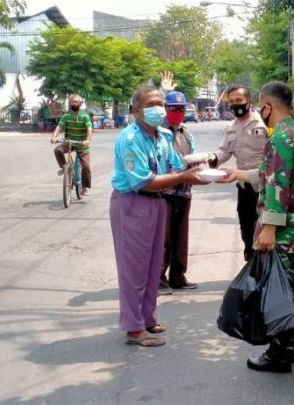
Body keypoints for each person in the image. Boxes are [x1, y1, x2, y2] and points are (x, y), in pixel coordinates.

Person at [220, 81, 294, 373]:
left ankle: (279, 353)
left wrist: (268, 229)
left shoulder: (279, 140)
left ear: (267, 106)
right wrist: (240, 173)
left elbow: (277, 186)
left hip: (284, 231)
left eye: (260, 104)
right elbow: (269, 173)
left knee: (278, 293)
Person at [109, 85, 207, 348]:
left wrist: (199, 171)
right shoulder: (130, 139)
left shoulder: (162, 136)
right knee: (134, 269)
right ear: (136, 110)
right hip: (133, 203)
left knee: (153, 265)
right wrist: (184, 177)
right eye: (151, 104)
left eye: (160, 104)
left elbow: (176, 165)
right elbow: (142, 180)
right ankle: (133, 327)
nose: (158, 109)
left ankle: (147, 317)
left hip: (157, 202)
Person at [207, 85, 270, 262]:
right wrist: (212, 158)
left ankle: (266, 264)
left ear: (249, 101)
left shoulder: (263, 123)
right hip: (244, 186)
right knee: (247, 226)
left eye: (239, 101)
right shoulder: (230, 127)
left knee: (266, 225)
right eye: (232, 101)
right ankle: (251, 262)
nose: (235, 105)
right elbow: (224, 151)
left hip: (265, 184)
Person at [159, 85, 199, 294]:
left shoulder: (186, 133)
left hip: (184, 190)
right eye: (173, 108)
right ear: (165, 108)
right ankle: (158, 278)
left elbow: (192, 156)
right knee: (163, 238)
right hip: (163, 191)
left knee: (180, 236)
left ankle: (178, 276)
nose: (178, 113)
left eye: (181, 109)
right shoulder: (157, 131)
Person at [51, 94, 93, 196]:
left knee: (86, 167)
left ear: (80, 104)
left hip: (82, 145)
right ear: (70, 103)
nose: (75, 103)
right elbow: (59, 127)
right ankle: (64, 168)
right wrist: (54, 137)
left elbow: (89, 129)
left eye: (76, 102)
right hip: (69, 142)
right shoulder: (66, 116)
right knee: (57, 150)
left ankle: (85, 187)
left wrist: (87, 140)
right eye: (73, 102)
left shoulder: (85, 116)